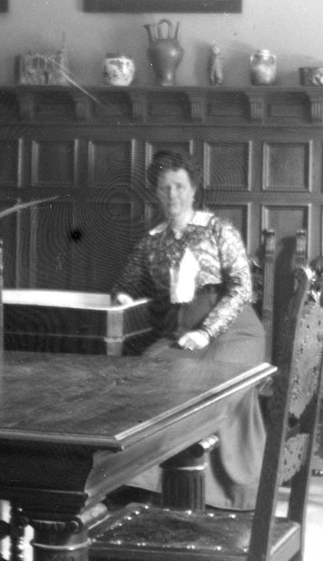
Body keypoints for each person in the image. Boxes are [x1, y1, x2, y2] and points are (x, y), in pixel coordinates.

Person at [110, 149, 265, 510]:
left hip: (235, 330)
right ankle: (153, 483)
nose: (172, 195)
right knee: (146, 374)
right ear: (155, 192)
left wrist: (206, 331)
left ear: (194, 189)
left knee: (207, 379)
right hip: (180, 332)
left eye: (179, 186)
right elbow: (125, 283)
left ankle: (220, 490)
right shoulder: (151, 240)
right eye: (164, 188)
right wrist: (122, 296)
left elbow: (241, 287)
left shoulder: (219, 229)